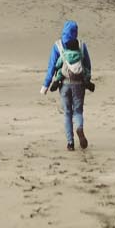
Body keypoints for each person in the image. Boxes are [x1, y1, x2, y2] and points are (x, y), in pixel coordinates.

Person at [40, 19, 93, 151]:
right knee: (78, 111)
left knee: (67, 113)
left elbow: (52, 66)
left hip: (63, 84)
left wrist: (46, 85)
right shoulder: (81, 45)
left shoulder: (57, 46)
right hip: (79, 84)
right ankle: (79, 128)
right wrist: (87, 79)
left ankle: (70, 143)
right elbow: (88, 65)